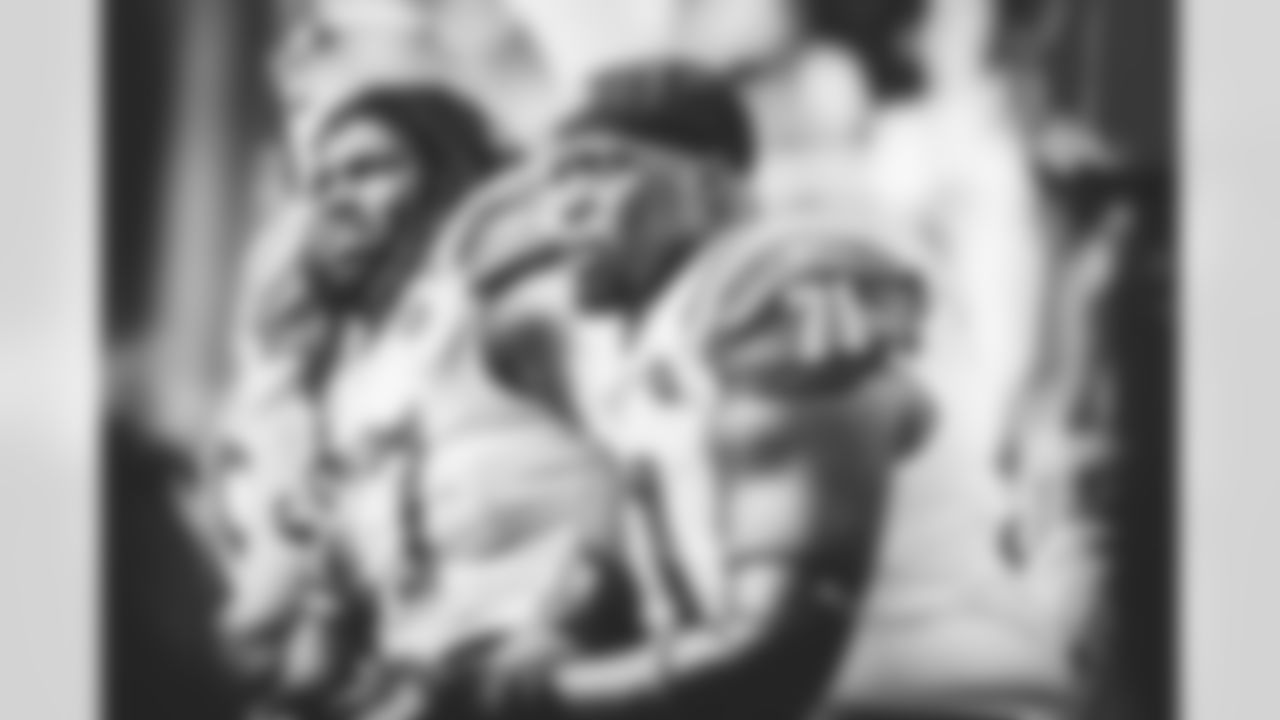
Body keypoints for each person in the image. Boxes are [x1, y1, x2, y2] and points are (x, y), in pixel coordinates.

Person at [200, 82, 507, 718]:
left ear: (448, 172)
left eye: (369, 170)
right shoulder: (339, 367)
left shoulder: (503, 302)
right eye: (322, 184)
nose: (337, 198)